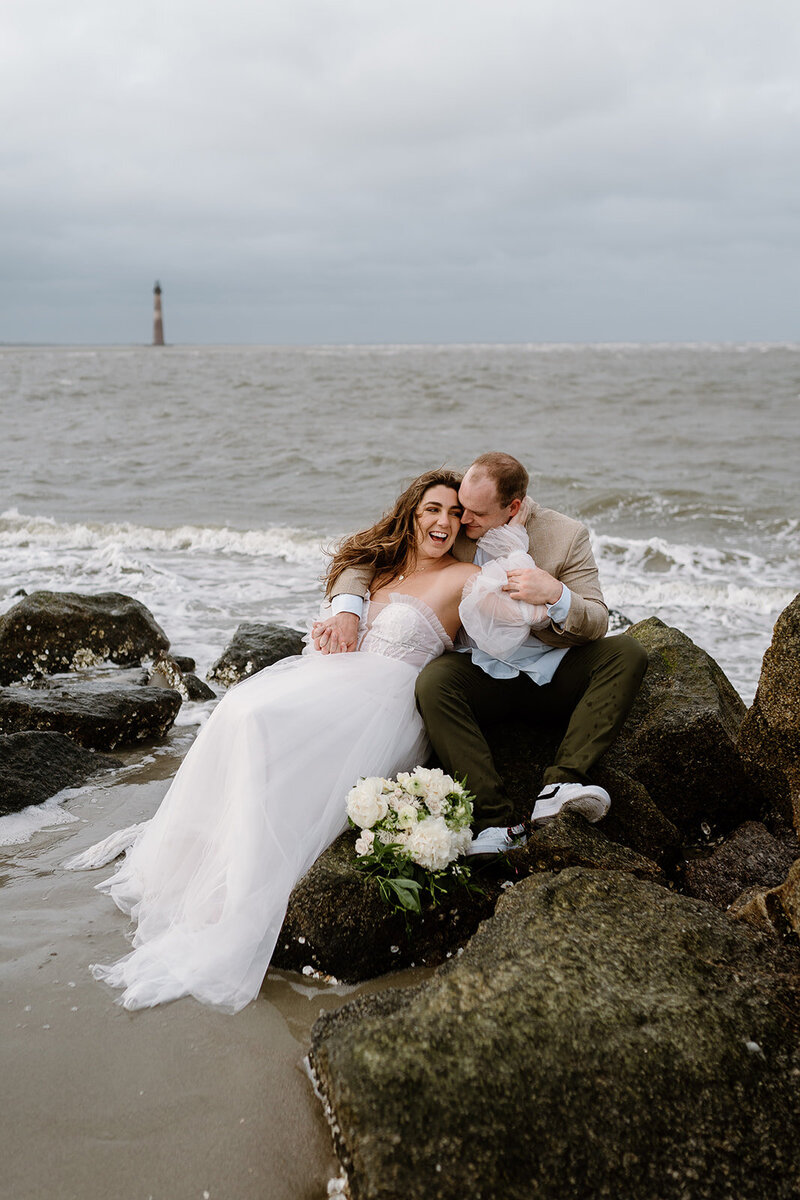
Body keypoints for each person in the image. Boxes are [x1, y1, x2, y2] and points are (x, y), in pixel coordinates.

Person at [66, 470, 532, 1013]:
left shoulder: (465, 576)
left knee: (263, 722)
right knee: (240, 708)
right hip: (337, 678)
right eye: (433, 509)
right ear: (411, 511)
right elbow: (349, 576)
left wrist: (519, 547)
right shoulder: (376, 570)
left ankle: (241, 889)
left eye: (455, 515)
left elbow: (513, 620)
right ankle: (212, 849)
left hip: (387, 702)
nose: (444, 522)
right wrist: (338, 621)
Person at [316, 451, 648, 855]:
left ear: (513, 507)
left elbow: (597, 619)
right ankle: (495, 822)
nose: (461, 521)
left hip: (550, 668)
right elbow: (367, 553)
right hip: (483, 671)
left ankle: (562, 783)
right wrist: (347, 612)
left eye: (475, 514)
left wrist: (556, 596)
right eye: (460, 510)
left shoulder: (566, 535)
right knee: (435, 682)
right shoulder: (454, 522)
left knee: (627, 651)